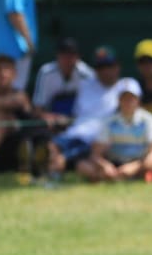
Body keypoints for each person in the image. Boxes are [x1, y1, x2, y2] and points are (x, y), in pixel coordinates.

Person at [47, 45, 124, 178]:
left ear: (117, 67)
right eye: (101, 68)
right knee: (52, 146)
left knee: (69, 155)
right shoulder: (85, 85)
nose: (105, 71)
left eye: (109, 66)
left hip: (98, 139)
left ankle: (58, 171)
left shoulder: (125, 88)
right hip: (75, 132)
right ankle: (52, 174)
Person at [76, 78, 152, 183]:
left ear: (138, 100)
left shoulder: (148, 120)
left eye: (131, 98)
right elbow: (96, 153)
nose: (128, 102)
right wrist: (105, 166)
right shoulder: (109, 121)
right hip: (114, 162)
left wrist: (135, 166)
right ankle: (115, 176)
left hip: (139, 162)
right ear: (118, 100)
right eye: (124, 98)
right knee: (83, 166)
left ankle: (125, 176)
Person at [31, 37, 94, 126]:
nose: (67, 59)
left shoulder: (87, 74)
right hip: (52, 121)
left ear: (78, 57)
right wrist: (50, 117)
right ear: (57, 56)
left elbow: (91, 107)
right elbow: (38, 108)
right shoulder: (46, 72)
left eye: (71, 55)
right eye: (64, 55)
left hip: (78, 121)